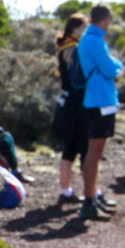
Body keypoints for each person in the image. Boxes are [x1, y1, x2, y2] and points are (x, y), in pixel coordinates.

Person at [77, 4, 122, 221]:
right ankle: (88, 202)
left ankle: (92, 197)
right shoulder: (95, 40)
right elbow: (110, 69)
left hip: (96, 100)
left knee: (94, 152)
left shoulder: (89, 39)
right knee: (94, 152)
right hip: (100, 101)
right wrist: (118, 66)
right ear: (105, 19)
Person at [53, 12, 89, 203]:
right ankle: (90, 191)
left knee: (69, 149)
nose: (85, 31)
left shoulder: (64, 47)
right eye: (83, 27)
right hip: (77, 104)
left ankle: (66, 190)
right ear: (75, 29)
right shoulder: (74, 49)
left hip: (67, 102)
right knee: (83, 149)